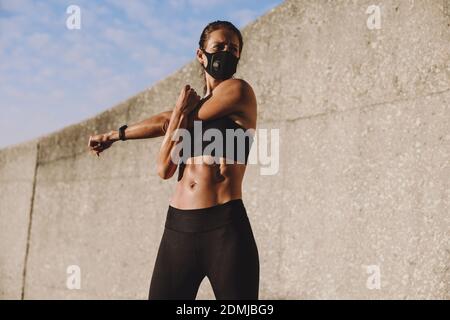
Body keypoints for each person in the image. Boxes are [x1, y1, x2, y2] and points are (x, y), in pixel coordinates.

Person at [88, 20, 259, 300]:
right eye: (219, 46)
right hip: (178, 228)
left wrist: (178, 113)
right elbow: (166, 121)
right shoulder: (189, 112)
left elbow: (169, 120)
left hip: (225, 228)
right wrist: (114, 135)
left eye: (233, 48)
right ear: (201, 54)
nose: (226, 52)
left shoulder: (239, 91)